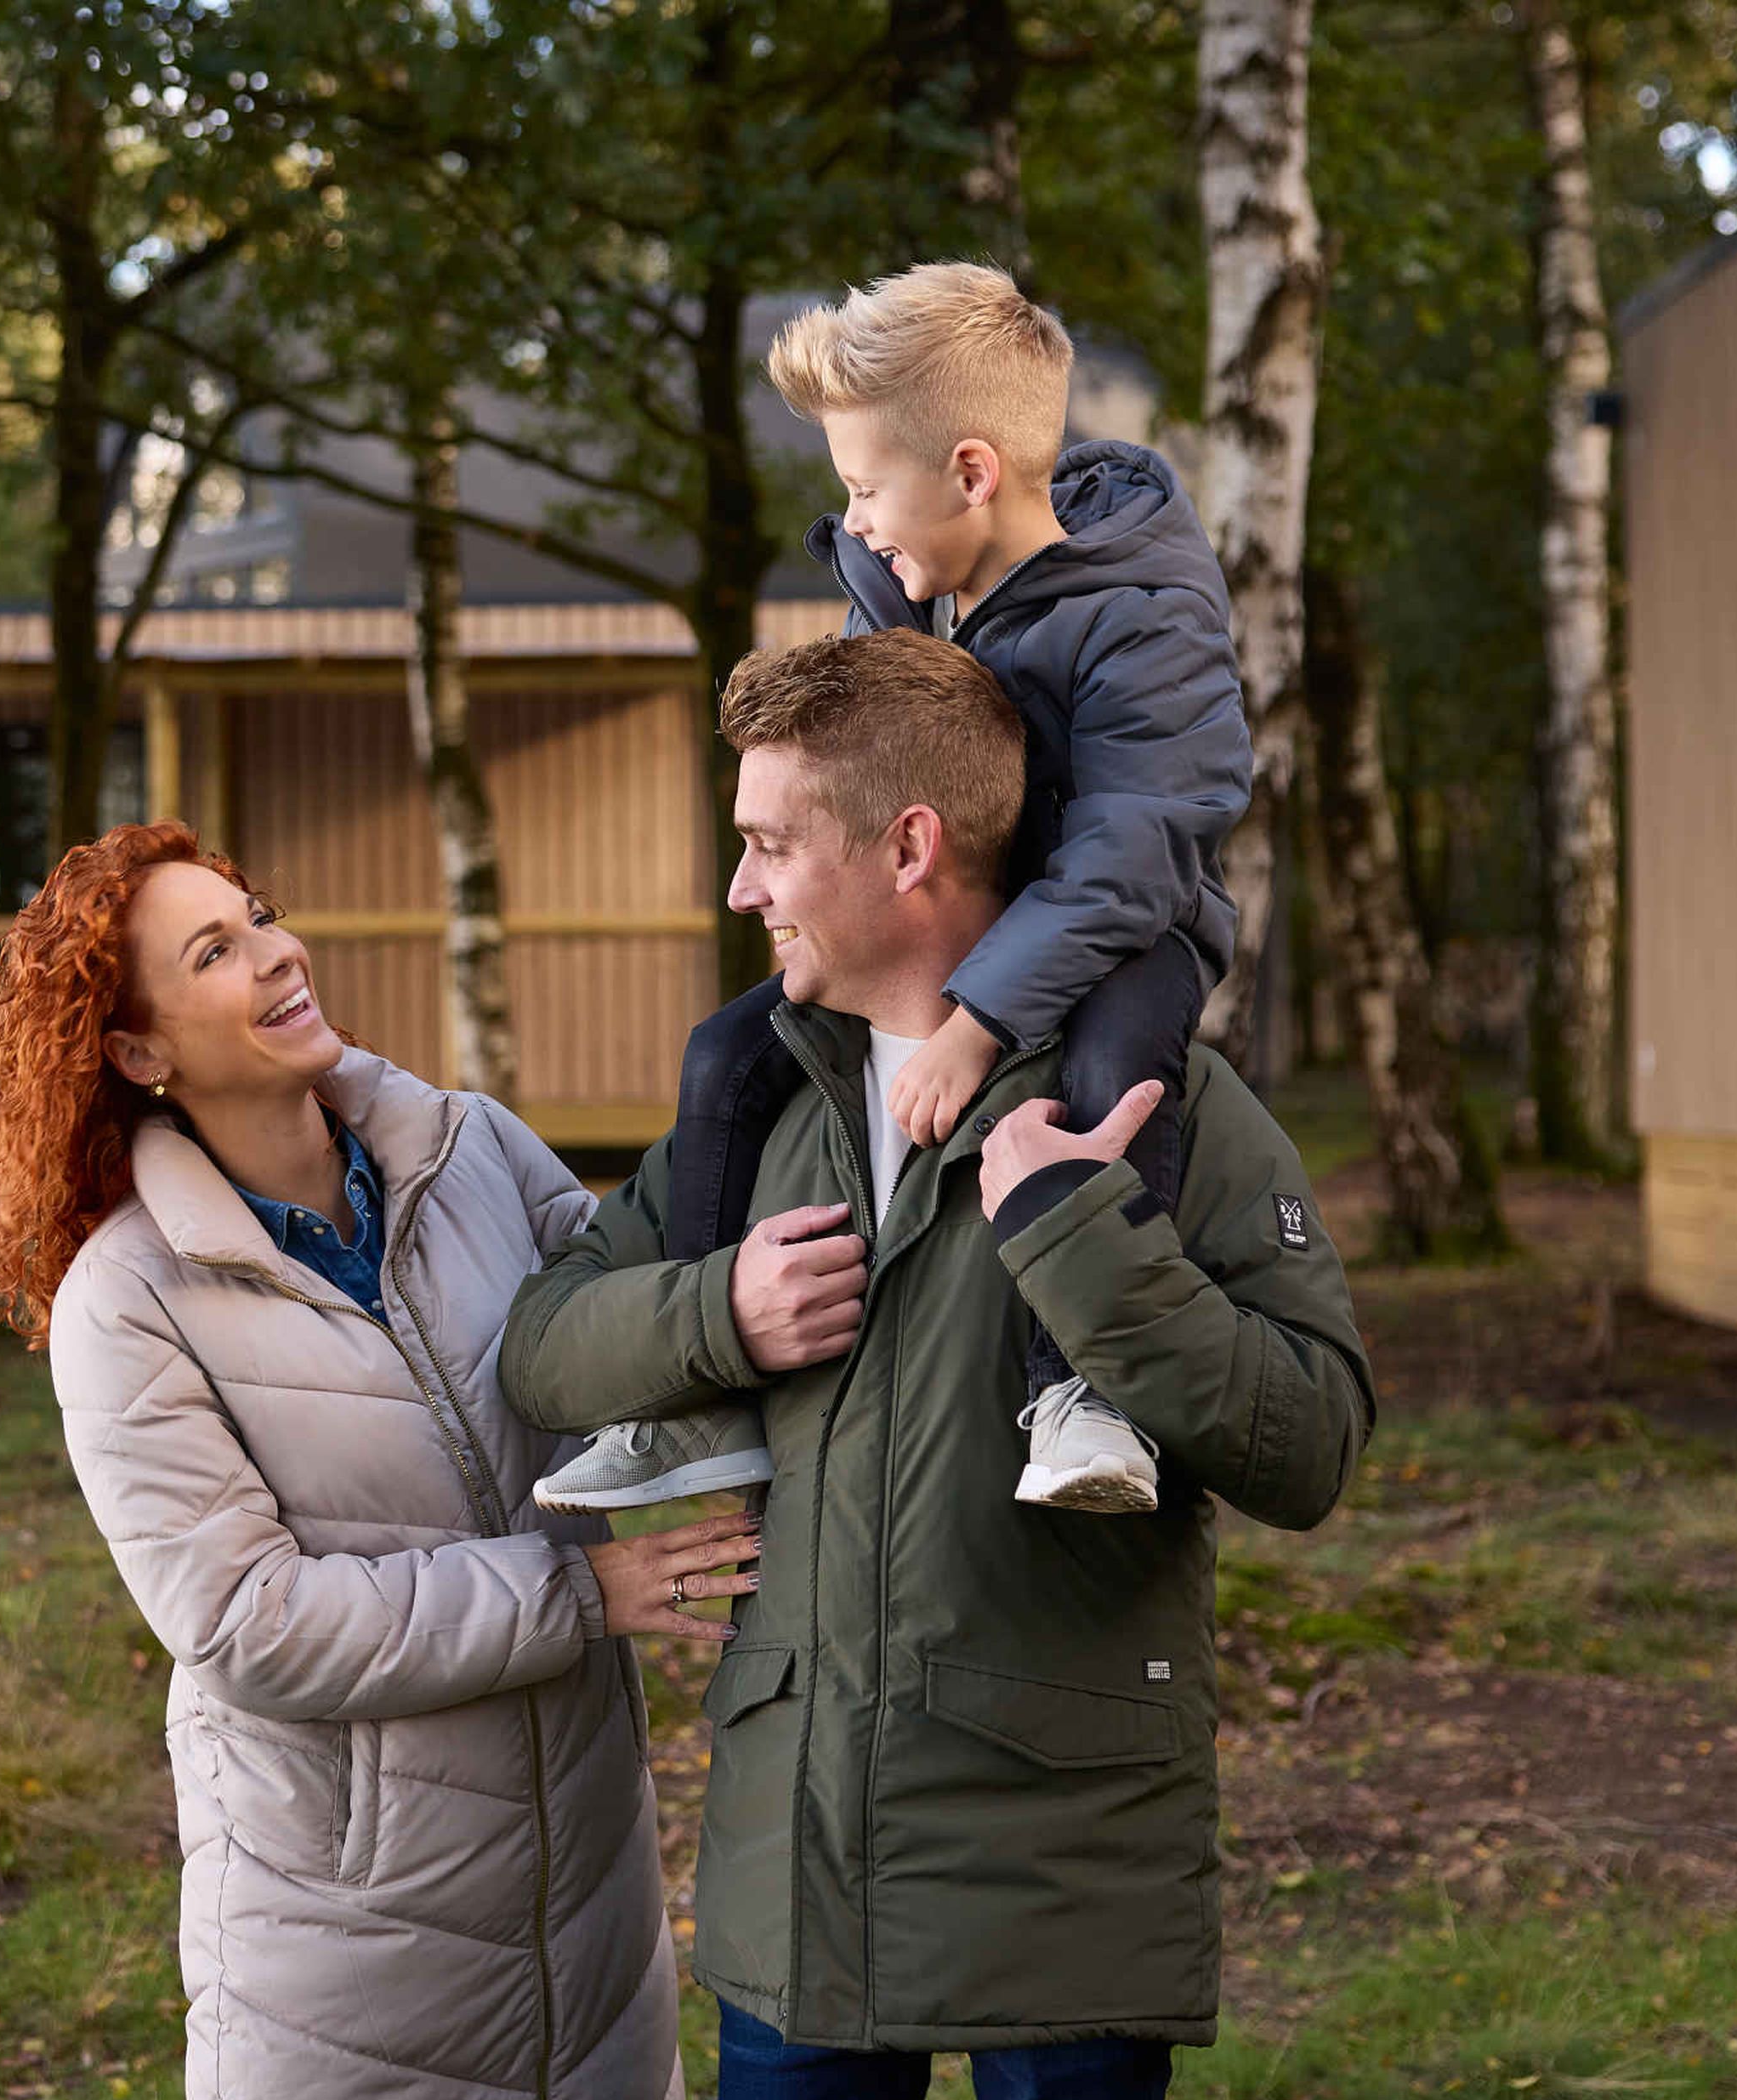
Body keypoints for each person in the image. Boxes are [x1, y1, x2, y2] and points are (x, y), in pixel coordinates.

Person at [501, 633, 1372, 2100]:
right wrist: (723, 1313)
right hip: (800, 1876)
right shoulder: (756, 1099)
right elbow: (546, 1349)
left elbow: (1311, 1442)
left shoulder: (1163, 1105)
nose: (740, 890)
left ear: (908, 848)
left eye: (770, 843)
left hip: (1067, 1875)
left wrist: (1079, 1237)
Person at [0, 821, 745, 2100]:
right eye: (217, 952)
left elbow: (632, 1338)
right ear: (140, 1054)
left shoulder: (471, 1151)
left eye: (261, 916)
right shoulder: (131, 1301)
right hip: (350, 1961)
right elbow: (247, 1620)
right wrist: (582, 1589)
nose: (278, 955)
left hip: (590, 1909)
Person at [530, 262, 1252, 1522]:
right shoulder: (934, 592)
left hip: (1131, 928)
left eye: (866, 489)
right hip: (979, 928)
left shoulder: (1146, 618)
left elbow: (1136, 856)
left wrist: (975, 1025)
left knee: (1118, 1079)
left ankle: (1084, 1391)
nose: (855, 521)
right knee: (723, 1056)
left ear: (972, 473)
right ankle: (702, 1399)